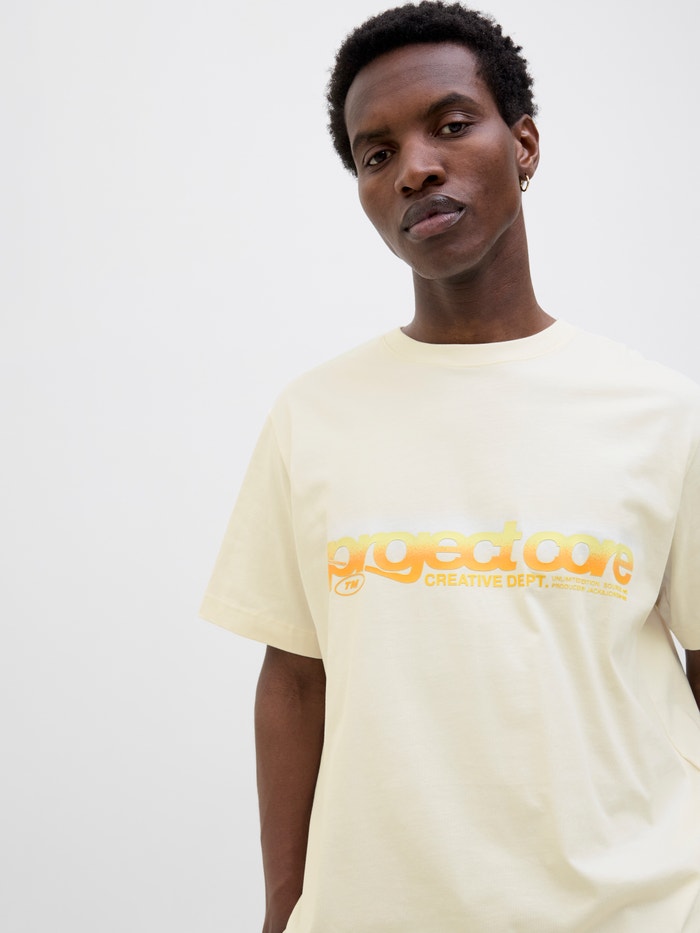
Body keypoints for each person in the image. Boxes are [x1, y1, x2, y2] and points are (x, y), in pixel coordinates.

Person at [200, 2, 700, 930]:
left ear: (525, 145)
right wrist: (284, 907)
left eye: (453, 125)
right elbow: (295, 679)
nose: (415, 167)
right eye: (376, 153)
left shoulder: (661, 413)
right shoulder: (314, 416)